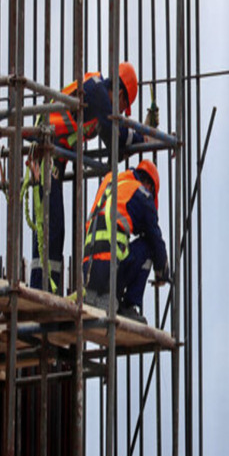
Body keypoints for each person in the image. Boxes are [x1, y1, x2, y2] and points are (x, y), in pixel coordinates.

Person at [26, 62, 149, 294]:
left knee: (53, 229)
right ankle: (40, 290)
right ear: (120, 94)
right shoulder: (98, 93)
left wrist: (137, 138)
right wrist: (144, 137)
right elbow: (119, 138)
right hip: (45, 152)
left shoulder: (97, 97)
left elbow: (114, 148)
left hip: (54, 157)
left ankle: (44, 289)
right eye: (124, 107)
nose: (121, 112)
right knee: (50, 227)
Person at [82, 160, 170, 323]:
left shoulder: (110, 181)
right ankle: (128, 306)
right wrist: (162, 271)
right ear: (149, 185)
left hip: (87, 271)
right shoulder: (141, 193)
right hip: (109, 272)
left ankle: (105, 293)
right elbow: (155, 238)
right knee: (148, 247)